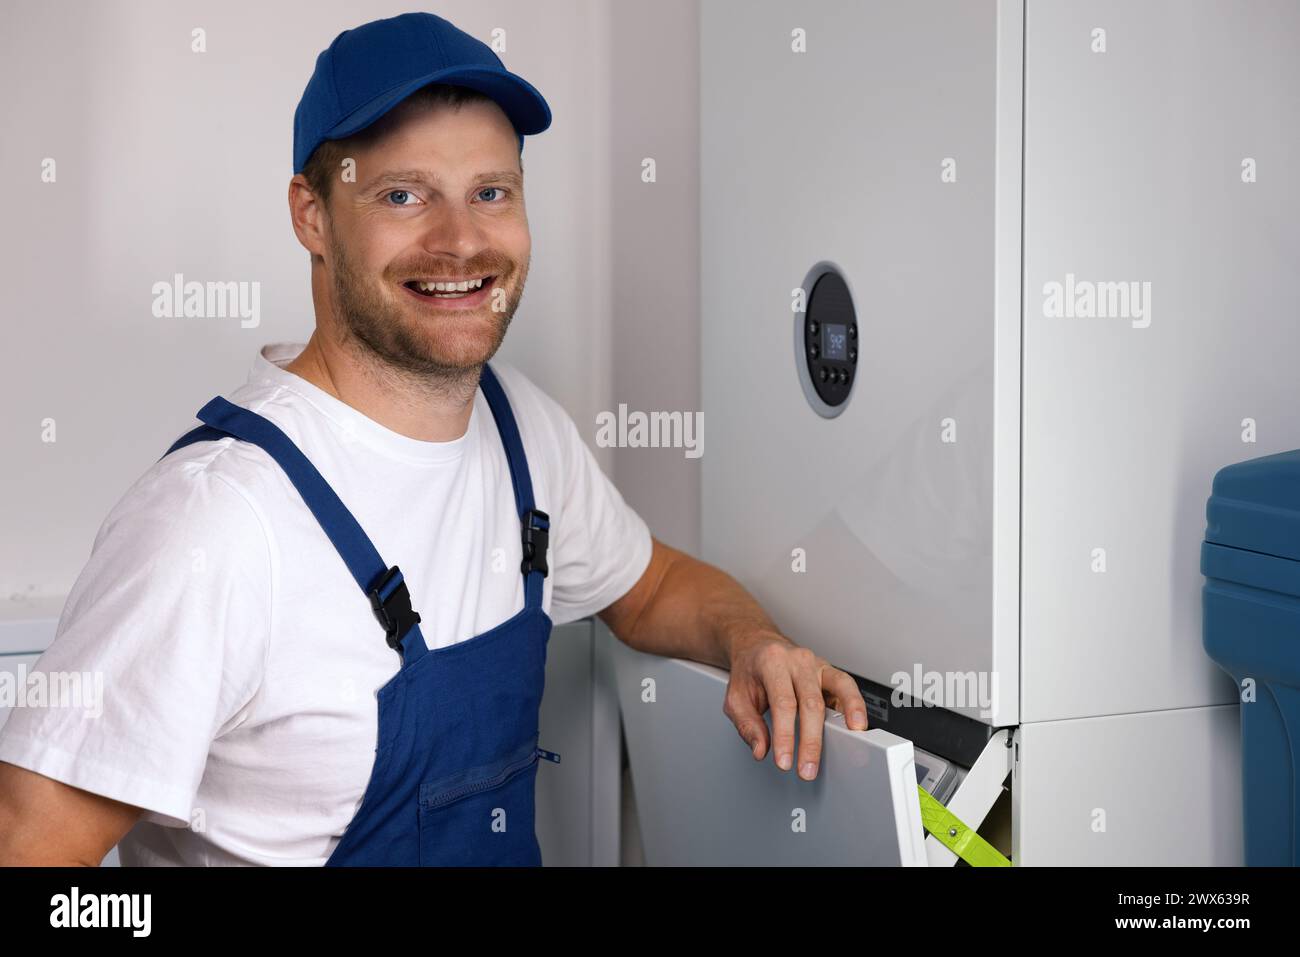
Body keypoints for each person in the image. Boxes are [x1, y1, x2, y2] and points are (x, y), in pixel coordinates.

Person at [0, 11, 868, 866]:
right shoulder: (216, 523)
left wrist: (750, 640)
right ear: (311, 214)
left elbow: (651, 588)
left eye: (491, 193)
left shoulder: (522, 430)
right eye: (403, 195)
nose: (460, 242)